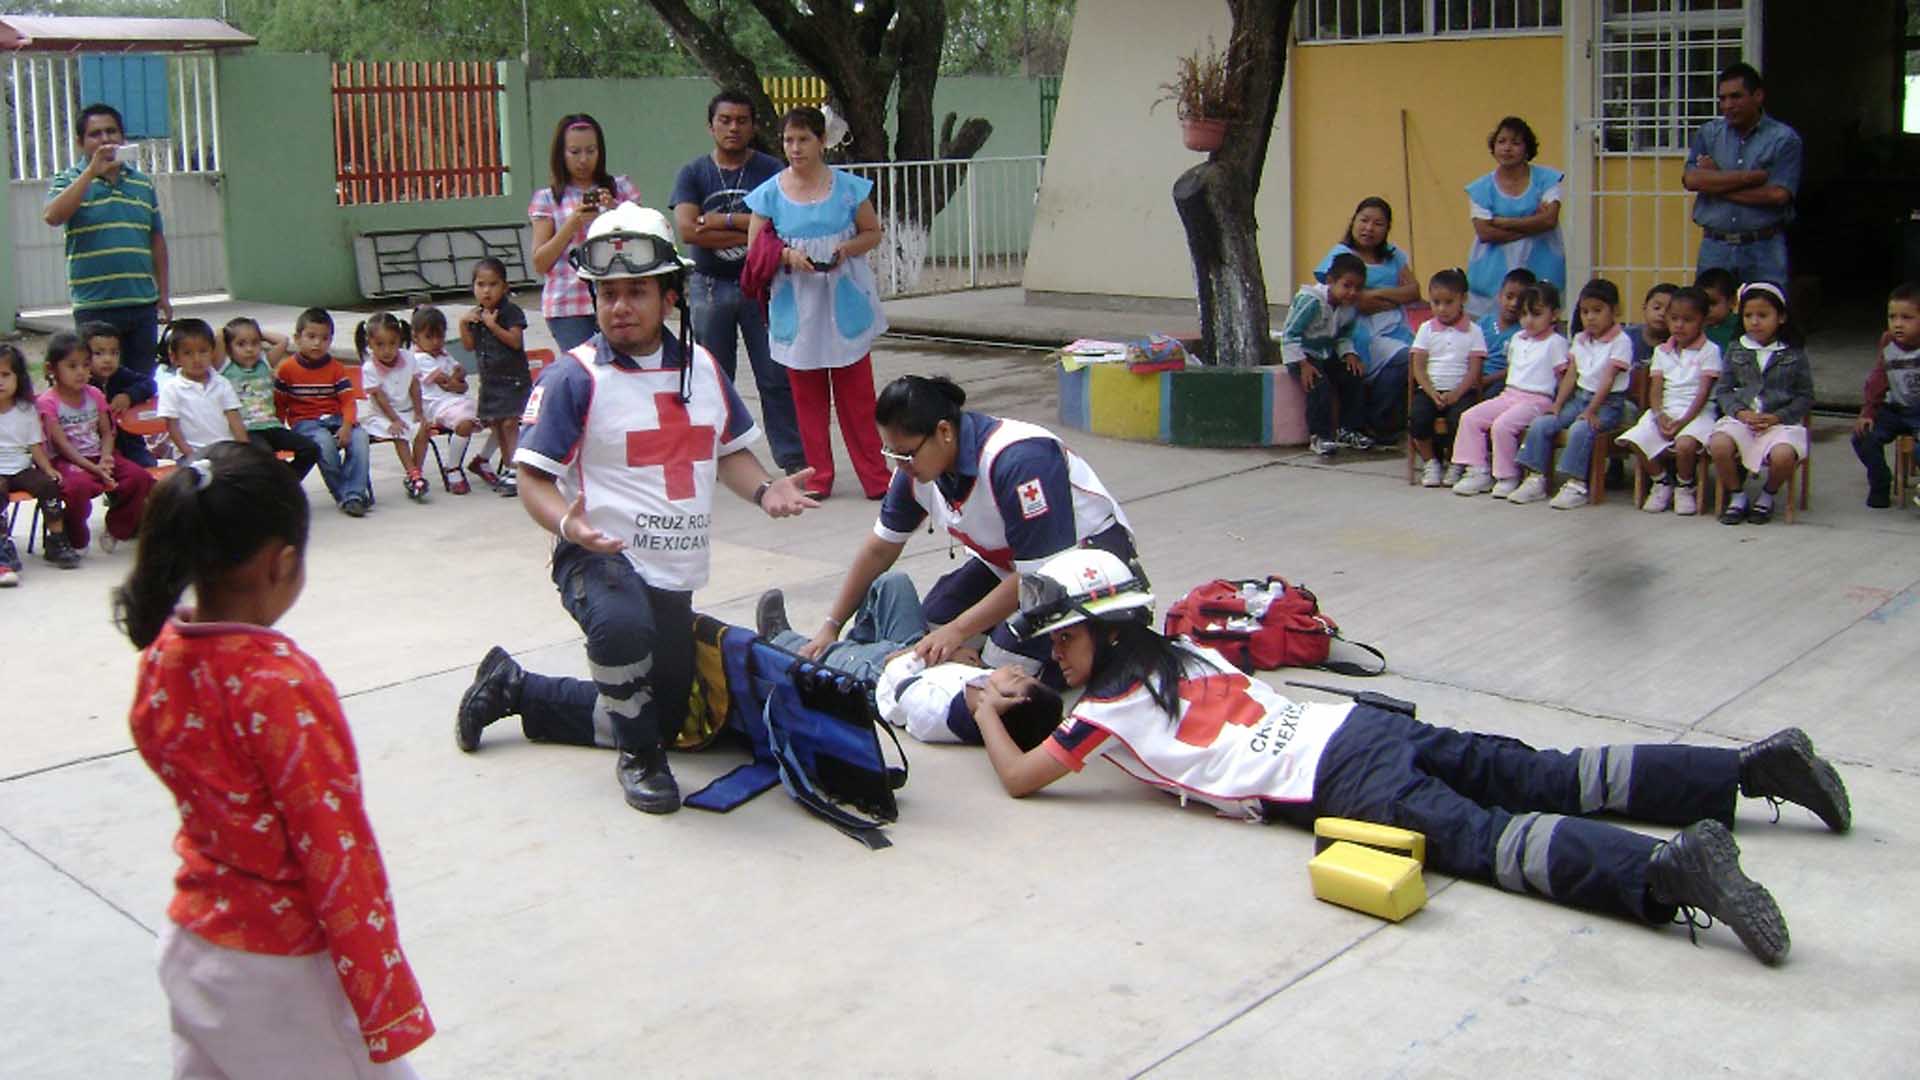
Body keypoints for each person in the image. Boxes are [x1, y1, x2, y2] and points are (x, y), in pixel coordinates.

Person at [967, 548, 1852, 967]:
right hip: (1365, 728)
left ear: (1096, 629)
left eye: (1058, 644)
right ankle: (1745, 770)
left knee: (1493, 843)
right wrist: (1037, 694)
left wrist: (985, 707)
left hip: (1338, 782)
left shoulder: (1103, 716)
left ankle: (1666, 871)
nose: (1052, 661)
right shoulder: (1189, 653)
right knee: (1552, 769)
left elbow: (1019, 779)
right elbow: (1122, 699)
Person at [452, 203, 817, 814]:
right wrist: (569, 523)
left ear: (669, 296)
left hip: (672, 569)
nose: (619, 306)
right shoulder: (575, 377)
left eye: (636, 292)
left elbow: (727, 452)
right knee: (624, 633)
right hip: (596, 558)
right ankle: (639, 761)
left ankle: (516, 687)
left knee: (665, 715)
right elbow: (534, 477)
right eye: (607, 293)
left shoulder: (703, 369)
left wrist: (765, 489)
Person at [116, 442, 434, 1075]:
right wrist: (382, 995)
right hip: (280, 974)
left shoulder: (163, 652)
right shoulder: (279, 683)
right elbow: (335, 846)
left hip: (195, 944)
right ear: (281, 562)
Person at [797, 374, 1135, 679]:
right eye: (890, 453)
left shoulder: (1020, 461)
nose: (898, 465)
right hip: (1010, 569)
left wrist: (959, 632)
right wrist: (831, 626)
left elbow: (1039, 577)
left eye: (905, 453)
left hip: (1077, 574)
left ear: (944, 432)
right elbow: (878, 549)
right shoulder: (913, 471)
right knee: (929, 632)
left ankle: (844, 665)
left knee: (999, 669)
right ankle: (829, 655)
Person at [744, 106, 891, 500]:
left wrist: (847, 249)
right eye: (788, 140)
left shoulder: (848, 188)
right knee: (807, 400)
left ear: (822, 141)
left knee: (858, 398)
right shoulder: (770, 193)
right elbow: (755, 246)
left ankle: (876, 477)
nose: (795, 148)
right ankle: (817, 477)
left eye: (804, 139)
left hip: (844, 299)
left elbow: (872, 232)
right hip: (798, 304)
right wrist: (788, 256)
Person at [757, 580, 1063, 749]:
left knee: (819, 658)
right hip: (918, 655)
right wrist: (955, 654)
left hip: (879, 678)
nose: (1018, 671)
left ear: (1004, 703)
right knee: (894, 583)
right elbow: (968, 672)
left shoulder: (934, 714)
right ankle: (857, 640)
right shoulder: (982, 687)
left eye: (1019, 680)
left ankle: (779, 639)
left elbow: (898, 679)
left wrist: (912, 656)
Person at [671, 90, 805, 476]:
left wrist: (721, 222)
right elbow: (688, 231)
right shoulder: (693, 173)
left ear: (753, 126)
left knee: (775, 375)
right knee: (712, 376)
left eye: (741, 120)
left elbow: (781, 226)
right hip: (709, 286)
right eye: (725, 120)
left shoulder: (771, 170)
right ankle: (711, 453)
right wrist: (753, 231)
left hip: (764, 287)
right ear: (710, 125)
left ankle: (792, 457)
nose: (733, 127)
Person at [42, 104, 170, 379]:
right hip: (95, 306)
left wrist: (164, 293)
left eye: (111, 131)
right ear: (80, 142)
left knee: (141, 383)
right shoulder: (70, 179)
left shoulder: (141, 184)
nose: (105, 139)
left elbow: (156, 239)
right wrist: (90, 172)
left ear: (123, 137)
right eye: (95, 134)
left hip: (141, 303)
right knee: (96, 384)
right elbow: (52, 216)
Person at [1509, 279, 1635, 509]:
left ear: (1615, 310)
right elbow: (1571, 376)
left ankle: (1576, 484)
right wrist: (1557, 404)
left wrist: (1591, 410)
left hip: (1607, 404)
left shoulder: (1621, 341)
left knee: (1581, 428)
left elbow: (1607, 381)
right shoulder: (1580, 338)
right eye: (1585, 311)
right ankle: (1536, 478)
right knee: (1542, 423)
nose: (1590, 317)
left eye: (1597, 311)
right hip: (1579, 399)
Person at [528, 113, 641, 351]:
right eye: (575, 152)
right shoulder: (547, 198)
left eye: (591, 151)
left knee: (624, 369)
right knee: (586, 373)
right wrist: (572, 224)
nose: (583, 160)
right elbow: (540, 262)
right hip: (569, 304)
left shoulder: (620, 188)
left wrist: (615, 210)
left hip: (618, 297)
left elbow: (645, 237)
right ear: (561, 154)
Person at [1682, 63, 1801, 286]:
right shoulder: (1709, 134)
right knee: (1711, 316)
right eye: (1722, 98)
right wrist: (1748, 178)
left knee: (1764, 315)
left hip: (1763, 246)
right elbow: (1691, 179)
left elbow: (1777, 196)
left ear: (1758, 96)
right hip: (1715, 246)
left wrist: (1717, 182)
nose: (1728, 105)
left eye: (1736, 97)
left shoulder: (1784, 139)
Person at [37, 331, 155, 554]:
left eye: (85, 365)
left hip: (100, 456)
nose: (81, 372)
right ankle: (75, 531)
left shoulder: (95, 394)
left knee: (139, 478)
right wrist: (95, 469)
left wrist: (106, 458)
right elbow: (62, 445)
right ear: (52, 369)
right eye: (72, 366)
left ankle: (117, 528)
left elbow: (107, 432)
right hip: (68, 460)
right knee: (77, 487)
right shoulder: (48, 402)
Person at [1315, 197, 1419, 445]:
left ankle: (1385, 422)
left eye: (1378, 224)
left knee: (1418, 359)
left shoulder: (1394, 256)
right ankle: (1375, 421)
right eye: (1364, 221)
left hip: (1395, 329)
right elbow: (1348, 300)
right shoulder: (1341, 255)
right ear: (1353, 221)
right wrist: (1390, 297)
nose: (1369, 228)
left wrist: (1375, 294)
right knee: (1404, 360)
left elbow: (1414, 292)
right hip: (1357, 331)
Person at [1452, 283, 1568, 498]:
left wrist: (1558, 405)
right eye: (1524, 314)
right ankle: (1478, 470)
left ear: (1555, 314)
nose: (1529, 320)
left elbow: (1564, 379)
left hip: (1537, 400)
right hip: (1510, 394)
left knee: (1502, 426)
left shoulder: (1556, 343)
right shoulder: (1517, 338)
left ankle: (1508, 476)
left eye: (1537, 314)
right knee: (1470, 417)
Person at [1711, 283, 1813, 525]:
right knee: (1719, 445)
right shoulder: (1737, 349)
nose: (1755, 322)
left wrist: (1779, 417)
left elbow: (1805, 396)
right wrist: (1740, 412)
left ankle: (1768, 495)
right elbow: (1723, 390)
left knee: (1783, 456)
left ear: (1781, 317)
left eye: (1763, 315)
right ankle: (1737, 495)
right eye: (1748, 316)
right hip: (1743, 419)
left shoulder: (1793, 353)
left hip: (1779, 423)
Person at [1618, 287, 1721, 516]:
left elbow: (1703, 392)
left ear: (1702, 321)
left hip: (1697, 413)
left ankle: (1685, 485)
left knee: (1685, 445)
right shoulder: (1662, 351)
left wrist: (1683, 420)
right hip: (1666, 410)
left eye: (1687, 320)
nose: (1679, 326)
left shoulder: (1710, 351)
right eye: (1674, 319)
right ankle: (1661, 482)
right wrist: (1659, 414)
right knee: (1634, 439)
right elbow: (1656, 389)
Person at [1465, 116, 1566, 318]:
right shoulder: (1481, 188)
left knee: (1538, 315)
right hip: (1493, 268)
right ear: (1493, 147)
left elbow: (1549, 220)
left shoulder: (1547, 179)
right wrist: (1532, 223)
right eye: (1501, 142)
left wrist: (1504, 222)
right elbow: (1485, 233)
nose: (1507, 148)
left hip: (1541, 261)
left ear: (1527, 149)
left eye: (1515, 142)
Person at [274, 308, 372, 517]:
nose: (317, 343)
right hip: (306, 423)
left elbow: (348, 401)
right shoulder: (286, 370)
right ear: (297, 339)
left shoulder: (336, 369)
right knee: (324, 444)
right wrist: (279, 433)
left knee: (360, 438)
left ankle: (353, 493)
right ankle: (347, 496)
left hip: (336, 419)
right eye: (311, 337)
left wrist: (347, 426)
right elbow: (280, 405)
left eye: (324, 338)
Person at [0, 344, 80, 577]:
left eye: (6, 375)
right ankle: (3, 547)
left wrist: (47, 468)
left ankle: (56, 540)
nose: (0, 382)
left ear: (19, 378)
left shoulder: (26, 410)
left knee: (48, 485)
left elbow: (35, 445)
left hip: (22, 467)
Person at [1279, 252, 1367, 458]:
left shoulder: (1348, 308)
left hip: (1326, 353)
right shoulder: (1311, 301)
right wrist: (1302, 364)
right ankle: (1320, 435)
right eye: (1347, 285)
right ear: (1330, 281)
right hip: (1303, 354)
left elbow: (1343, 336)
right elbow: (1290, 335)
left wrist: (1349, 355)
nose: (1352, 292)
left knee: (1353, 375)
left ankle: (1349, 429)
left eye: (1358, 288)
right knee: (1319, 384)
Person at [1408, 267, 1487, 486]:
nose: (1442, 309)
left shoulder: (1474, 331)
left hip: (1461, 391)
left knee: (1459, 420)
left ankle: (1456, 462)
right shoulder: (1426, 329)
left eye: (1449, 302)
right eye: (1435, 302)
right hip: (1430, 390)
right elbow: (1419, 367)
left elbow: (1474, 369)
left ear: (1463, 299)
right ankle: (1430, 462)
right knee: (1418, 417)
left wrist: (1457, 393)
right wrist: (1431, 392)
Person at [460, 257, 531, 496]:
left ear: (504, 287)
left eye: (493, 284)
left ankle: (517, 469)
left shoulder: (510, 312)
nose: (486, 290)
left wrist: (493, 326)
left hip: (513, 380)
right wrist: (462, 323)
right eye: (481, 285)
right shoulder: (476, 315)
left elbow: (515, 341)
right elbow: (469, 346)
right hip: (490, 381)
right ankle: (509, 465)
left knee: (512, 422)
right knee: (498, 424)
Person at [220, 317, 318, 482]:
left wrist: (257, 332)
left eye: (255, 343)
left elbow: (283, 341)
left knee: (311, 449)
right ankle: (278, 485)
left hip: (272, 426)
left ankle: (286, 483)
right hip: (248, 430)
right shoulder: (225, 368)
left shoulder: (264, 363)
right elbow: (217, 337)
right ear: (229, 349)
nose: (250, 349)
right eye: (241, 344)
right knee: (266, 459)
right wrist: (236, 333)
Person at [1853, 282, 1920, 509]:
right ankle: (1880, 482)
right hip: (1896, 409)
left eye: (1907, 318)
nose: (1898, 324)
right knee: (1863, 436)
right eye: (1893, 317)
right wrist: (1868, 411)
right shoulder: (1888, 342)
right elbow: (1878, 378)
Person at [352, 313, 431, 501]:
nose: (387, 350)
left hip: (408, 409)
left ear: (400, 341)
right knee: (400, 433)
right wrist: (394, 419)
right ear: (370, 343)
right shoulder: (370, 368)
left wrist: (419, 412)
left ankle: (416, 473)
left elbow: (414, 385)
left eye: (392, 343)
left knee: (423, 429)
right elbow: (380, 398)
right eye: (380, 345)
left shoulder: (409, 358)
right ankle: (412, 473)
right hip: (382, 415)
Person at [155, 319, 248, 464]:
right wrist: (191, 455)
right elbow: (173, 428)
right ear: (174, 357)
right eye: (188, 353)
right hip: (191, 454)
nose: (197, 359)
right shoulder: (172, 388)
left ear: (212, 352)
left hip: (226, 451)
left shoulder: (222, 383)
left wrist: (245, 449)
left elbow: (234, 419)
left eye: (203, 351)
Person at [410, 306, 480, 494]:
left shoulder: (443, 354)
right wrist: (458, 381)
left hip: (456, 402)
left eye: (439, 337)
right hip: (438, 407)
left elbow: (460, 375)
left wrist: (459, 377)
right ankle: (453, 467)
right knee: (465, 424)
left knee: (497, 416)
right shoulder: (420, 358)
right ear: (416, 337)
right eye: (429, 337)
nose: (435, 342)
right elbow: (448, 383)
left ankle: (483, 459)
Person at [83, 321, 160, 467]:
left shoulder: (120, 375)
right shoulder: (82, 383)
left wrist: (129, 396)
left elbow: (150, 384)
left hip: (130, 444)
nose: (108, 359)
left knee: (147, 467)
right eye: (98, 353)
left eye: (114, 353)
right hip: (94, 448)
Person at [1475, 267, 1536, 399]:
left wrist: (1485, 381)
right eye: (1509, 297)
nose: (1514, 304)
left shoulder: (1525, 332)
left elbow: (1515, 368)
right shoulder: (1484, 323)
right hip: (1476, 376)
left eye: (1520, 300)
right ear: (1500, 295)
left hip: (1502, 381)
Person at [1627, 283, 1678, 367]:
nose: (1662, 313)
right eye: (1657, 308)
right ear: (1644, 308)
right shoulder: (1626, 337)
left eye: (1669, 310)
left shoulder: (1680, 343)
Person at [1697, 268, 1742, 349]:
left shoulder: (1740, 327)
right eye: (1702, 303)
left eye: (1713, 303)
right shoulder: (1694, 328)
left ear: (1732, 301)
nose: (1707, 309)